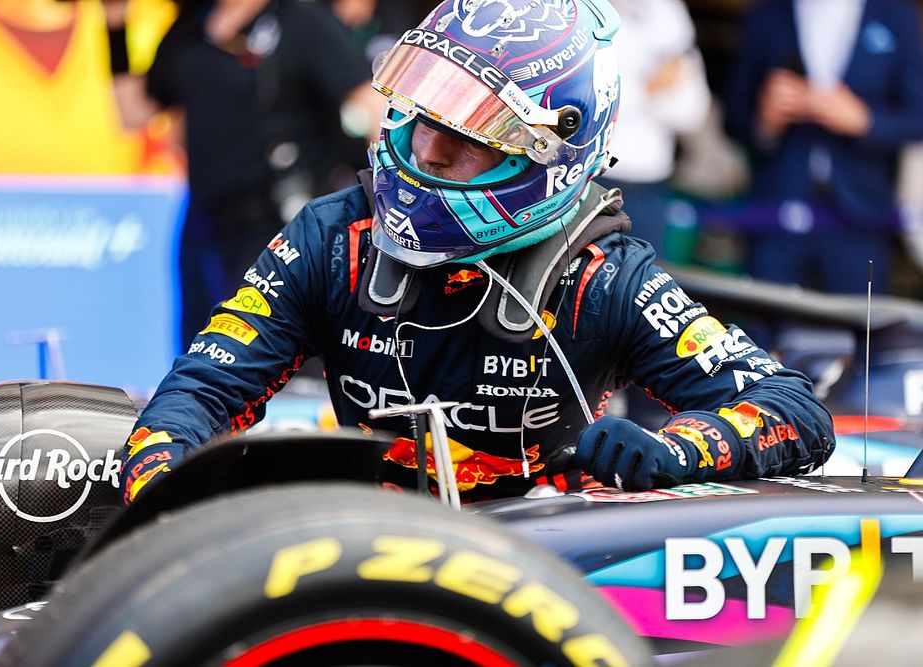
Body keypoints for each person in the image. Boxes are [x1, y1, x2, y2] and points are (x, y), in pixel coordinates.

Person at [120, 0, 836, 505]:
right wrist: (163, 490)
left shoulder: (605, 277)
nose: (424, 148)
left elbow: (793, 410)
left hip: (543, 581)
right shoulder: (334, 235)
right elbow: (197, 393)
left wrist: (678, 449)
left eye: (463, 135)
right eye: (424, 115)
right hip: (365, 562)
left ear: (548, 155)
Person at [105, 0, 384, 351]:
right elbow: (132, 113)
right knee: (200, 352)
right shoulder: (190, 28)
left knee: (263, 353)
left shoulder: (300, 20)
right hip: (205, 224)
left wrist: (381, 199)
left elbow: (371, 110)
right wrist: (114, 21)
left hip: (278, 225)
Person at [724, 0, 923, 294]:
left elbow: (917, 118)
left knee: (860, 331)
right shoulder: (765, 15)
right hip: (776, 214)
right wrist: (764, 120)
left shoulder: (896, 15)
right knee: (760, 336)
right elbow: (733, 117)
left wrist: (864, 120)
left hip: (861, 218)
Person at [595, 0, 712, 259]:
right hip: (594, 184)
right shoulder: (582, 11)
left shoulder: (666, 10)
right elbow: (589, 106)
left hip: (651, 189)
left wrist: (639, 92)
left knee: (643, 288)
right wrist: (652, 87)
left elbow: (693, 111)